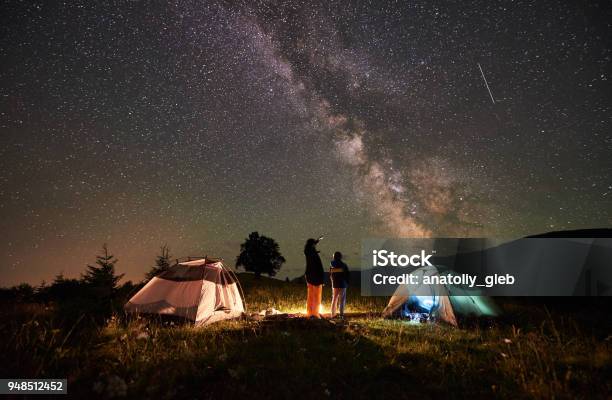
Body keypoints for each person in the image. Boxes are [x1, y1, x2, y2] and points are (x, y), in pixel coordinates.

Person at [304, 238, 324, 318]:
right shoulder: (313, 254)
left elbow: (310, 246)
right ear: (312, 245)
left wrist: (317, 240)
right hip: (316, 277)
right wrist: (321, 279)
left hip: (309, 275)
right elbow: (318, 267)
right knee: (316, 296)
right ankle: (315, 314)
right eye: (314, 244)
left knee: (310, 295)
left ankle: (310, 312)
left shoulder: (307, 251)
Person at [329, 251, 350, 318]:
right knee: (342, 300)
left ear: (334, 257)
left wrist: (332, 282)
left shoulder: (331, 265)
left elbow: (331, 275)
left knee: (334, 299)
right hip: (343, 284)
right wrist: (347, 283)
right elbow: (347, 275)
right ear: (340, 257)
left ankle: (333, 314)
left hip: (335, 284)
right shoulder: (344, 265)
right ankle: (341, 315)